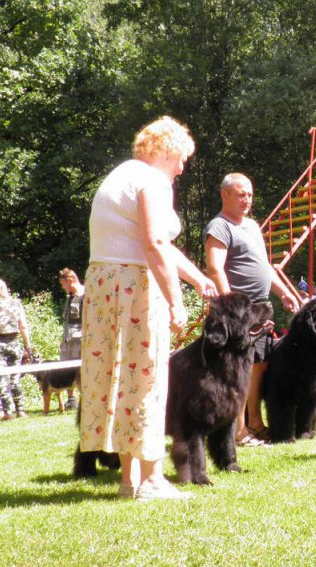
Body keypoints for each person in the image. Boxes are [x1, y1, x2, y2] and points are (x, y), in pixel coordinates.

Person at [81, 116, 217, 501]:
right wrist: (176, 301)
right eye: (182, 159)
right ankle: (153, 480)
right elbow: (155, 243)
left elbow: (159, 244)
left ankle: (131, 479)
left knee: (123, 380)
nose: (182, 168)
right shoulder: (153, 181)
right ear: (167, 151)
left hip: (104, 285)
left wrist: (197, 278)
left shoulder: (122, 176)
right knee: (147, 381)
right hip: (133, 287)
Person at [204, 172, 300, 447]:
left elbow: (265, 267)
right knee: (237, 371)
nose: (246, 200)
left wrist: (283, 292)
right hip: (238, 313)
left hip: (260, 310)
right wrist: (230, 308)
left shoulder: (252, 226)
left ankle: (254, 423)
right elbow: (215, 268)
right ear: (224, 195)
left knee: (258, 366)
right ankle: (238, 431)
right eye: (240, 195)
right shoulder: (219, 226)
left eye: (249, 195)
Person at [0, 279, 33, 420]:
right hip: (15, 343)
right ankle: (20, 410)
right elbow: (23, 326)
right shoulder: (16, 303)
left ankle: (8, 412)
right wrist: (27, 346)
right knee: (16, 378)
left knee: (2, 379)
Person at [58, 268, 83, 410]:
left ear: (70, 281)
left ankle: (85, 396)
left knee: (81, 371)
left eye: (63, 284)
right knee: (66, 368)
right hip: (67, 340)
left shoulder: (86, 295)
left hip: (80, 340)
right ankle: (71, 399)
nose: (63, 287)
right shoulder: (69, 297)